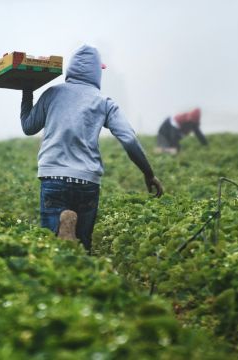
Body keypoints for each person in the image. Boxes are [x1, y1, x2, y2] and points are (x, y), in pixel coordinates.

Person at [20, 45, 163, 253]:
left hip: (53, 177)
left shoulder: (52, 94)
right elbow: (129, 139)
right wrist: (149, 174)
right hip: (86, 180)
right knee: (83, 248)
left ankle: (63, 227)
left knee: (50, 249)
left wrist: (27, 92)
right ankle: (77, 255)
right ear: (97, 72)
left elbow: (28, 127)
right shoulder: (104, 102)